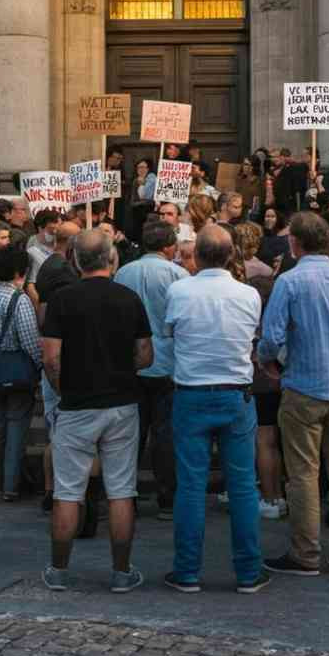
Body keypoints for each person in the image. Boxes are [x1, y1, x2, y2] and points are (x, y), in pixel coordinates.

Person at [258, 213, 329, 574]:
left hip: (303, 384)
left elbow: (272, 337)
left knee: (304, 473)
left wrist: (268, 362)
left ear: (295, 242)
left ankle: (306, 552)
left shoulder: (290, 282)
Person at [42, 230, 153, 593]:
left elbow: (51, 359)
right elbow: (145, 355)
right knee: (121, 489)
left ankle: (59, 570)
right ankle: (121, 571)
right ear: (112, 259)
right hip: (122, 401)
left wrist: (63, 389)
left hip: (77, 404)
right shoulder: (129, 298)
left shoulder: (62, 300)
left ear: (75, 260)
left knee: (67, 491)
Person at [162, 225, 270, 595]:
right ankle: (248, 571)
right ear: (230, 256)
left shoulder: (179, 290)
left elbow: (172, 331)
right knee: (242, 485)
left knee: (190, 485)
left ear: (198, 255)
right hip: (235, 392)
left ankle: (187, 571)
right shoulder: (248, 294)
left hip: (191, 392)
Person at [114, 221, 188, 520]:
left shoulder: (123, 273)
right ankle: (167, 497)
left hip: (131, 362)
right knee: (165, 433)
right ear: (169, 247)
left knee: (130, 433)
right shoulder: (177, 275)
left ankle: (126, 495)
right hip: (167, 362)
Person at [0, 247, 42, 500]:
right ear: (21, 271)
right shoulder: (19, 299)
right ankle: (11, 486)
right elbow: (30, 342)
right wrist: (40, 366)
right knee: (16, 429)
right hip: (17, 376)